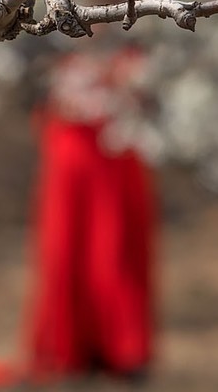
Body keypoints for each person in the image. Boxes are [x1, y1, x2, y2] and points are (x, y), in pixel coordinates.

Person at [23, 40, 156, 383]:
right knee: (66, 248)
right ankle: (67, 347)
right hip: (72, 152)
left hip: (116, 155)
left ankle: (121, 346)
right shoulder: (48, 35)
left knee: (115, 249)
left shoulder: (141, 34)